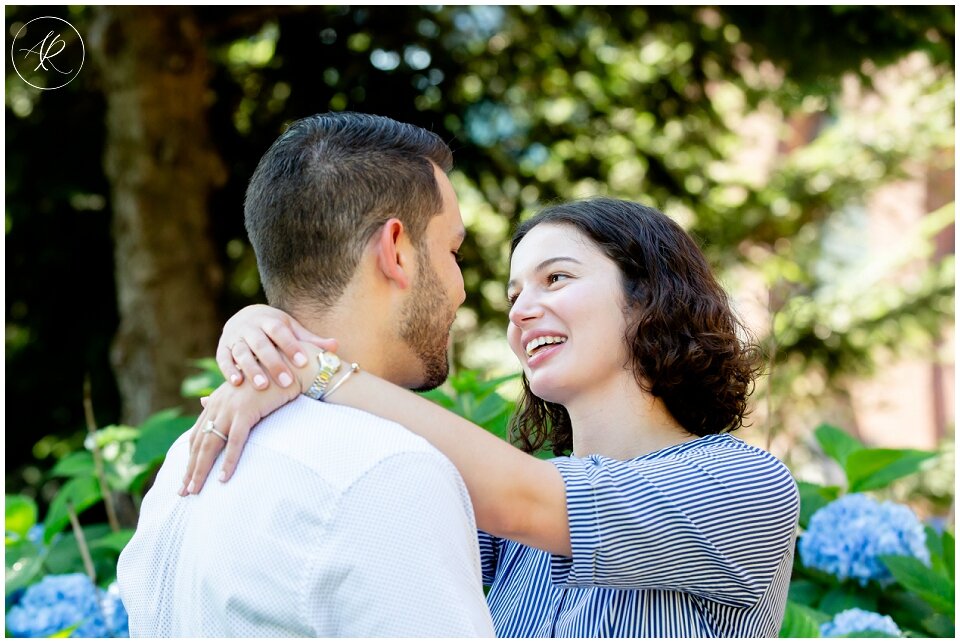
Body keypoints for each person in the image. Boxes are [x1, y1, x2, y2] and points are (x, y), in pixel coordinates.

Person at [186, 198, 801, 637]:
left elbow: (529, 500)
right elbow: (394, 502)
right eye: (513, 297)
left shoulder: (745, 485)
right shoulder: (500, 505)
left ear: (649, 299)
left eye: (555, 278)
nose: (523, 312)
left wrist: (311, 369)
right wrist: (261, 335)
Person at [116, 112, 495, 637]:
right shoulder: (388, 471)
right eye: (453, 252)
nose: (461, 288)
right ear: (396, 251)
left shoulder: (187, 460)